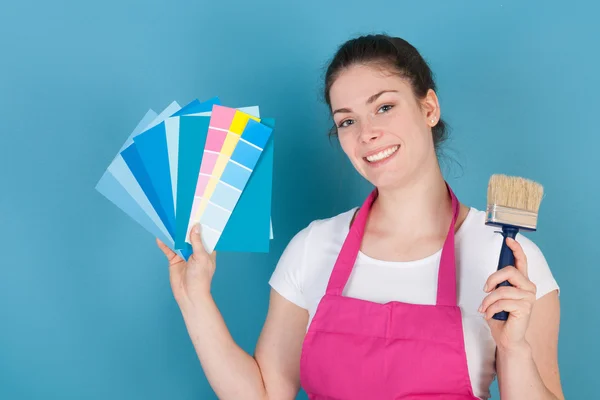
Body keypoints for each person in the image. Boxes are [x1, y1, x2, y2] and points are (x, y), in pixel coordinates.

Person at [157, 34, 564, 400]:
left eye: (384, 107)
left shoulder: (508, 262)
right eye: (347, 121)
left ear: (429, 108)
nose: (366, 133)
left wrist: (514, 349)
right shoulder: (312, 247)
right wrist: (195, 300)